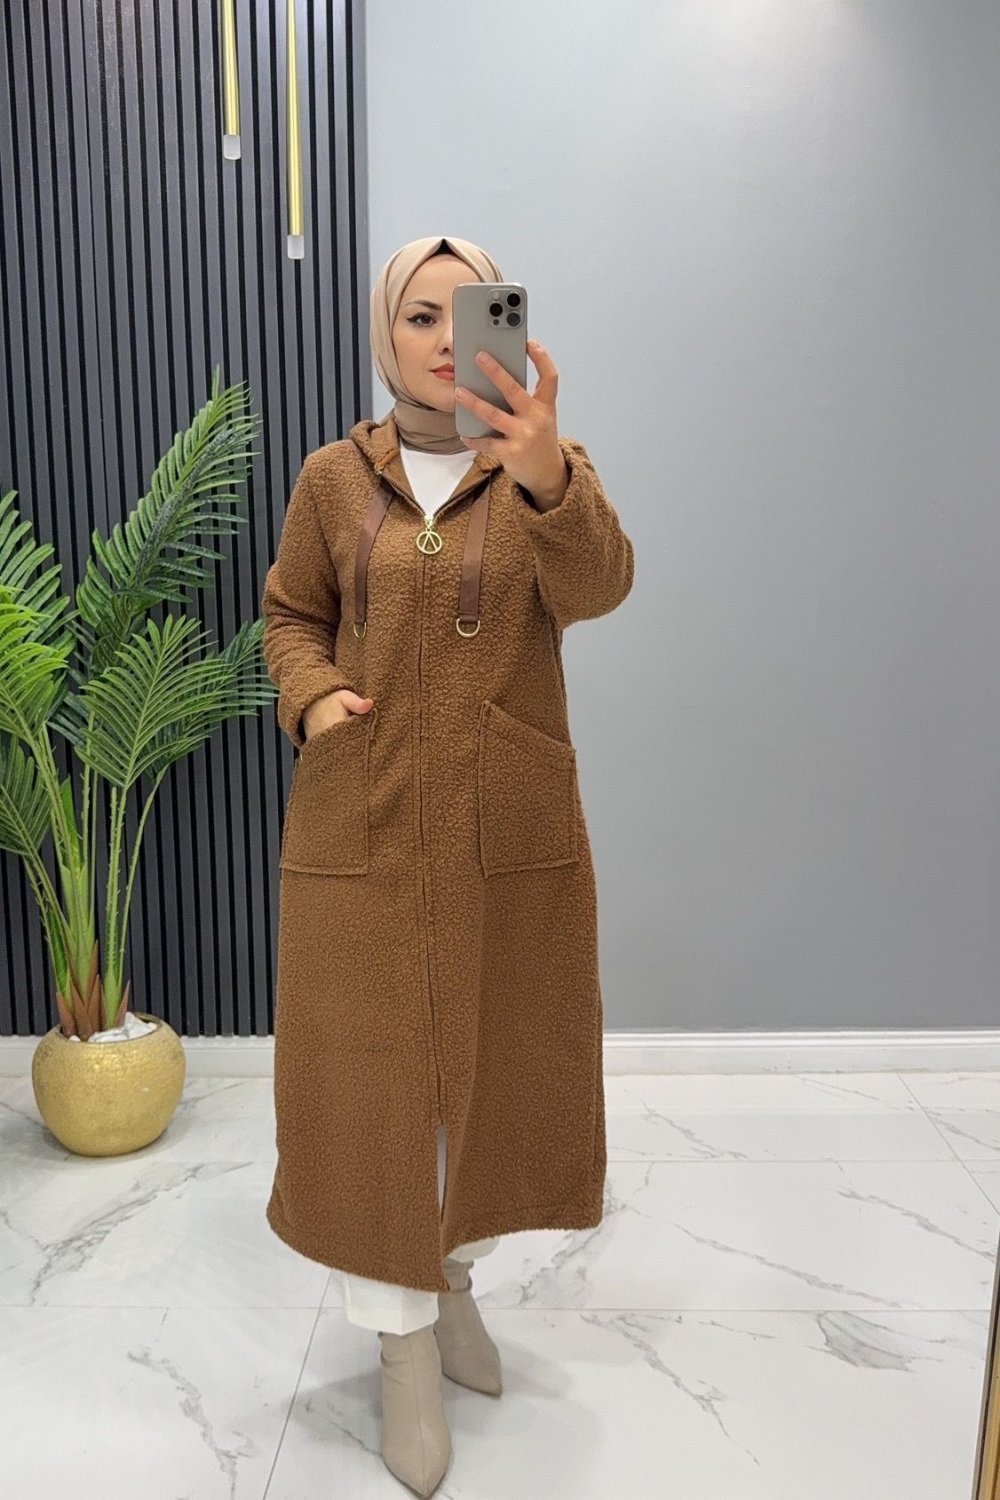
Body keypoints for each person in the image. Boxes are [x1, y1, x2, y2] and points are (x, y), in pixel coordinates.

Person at [261, 235, 635, 1496]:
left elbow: (600, 588)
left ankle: (456, 1283)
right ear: (385, 334)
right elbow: (291, 613)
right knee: (372, 1094)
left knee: (491, 1073)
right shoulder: (333, 478)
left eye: (463, 312)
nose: (439, 337)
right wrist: (314, 699)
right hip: (360, 824)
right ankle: (403, 1350)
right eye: (416, 315)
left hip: (501, 837)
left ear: (500, 327)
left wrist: (544, 474)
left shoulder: (540, 467)